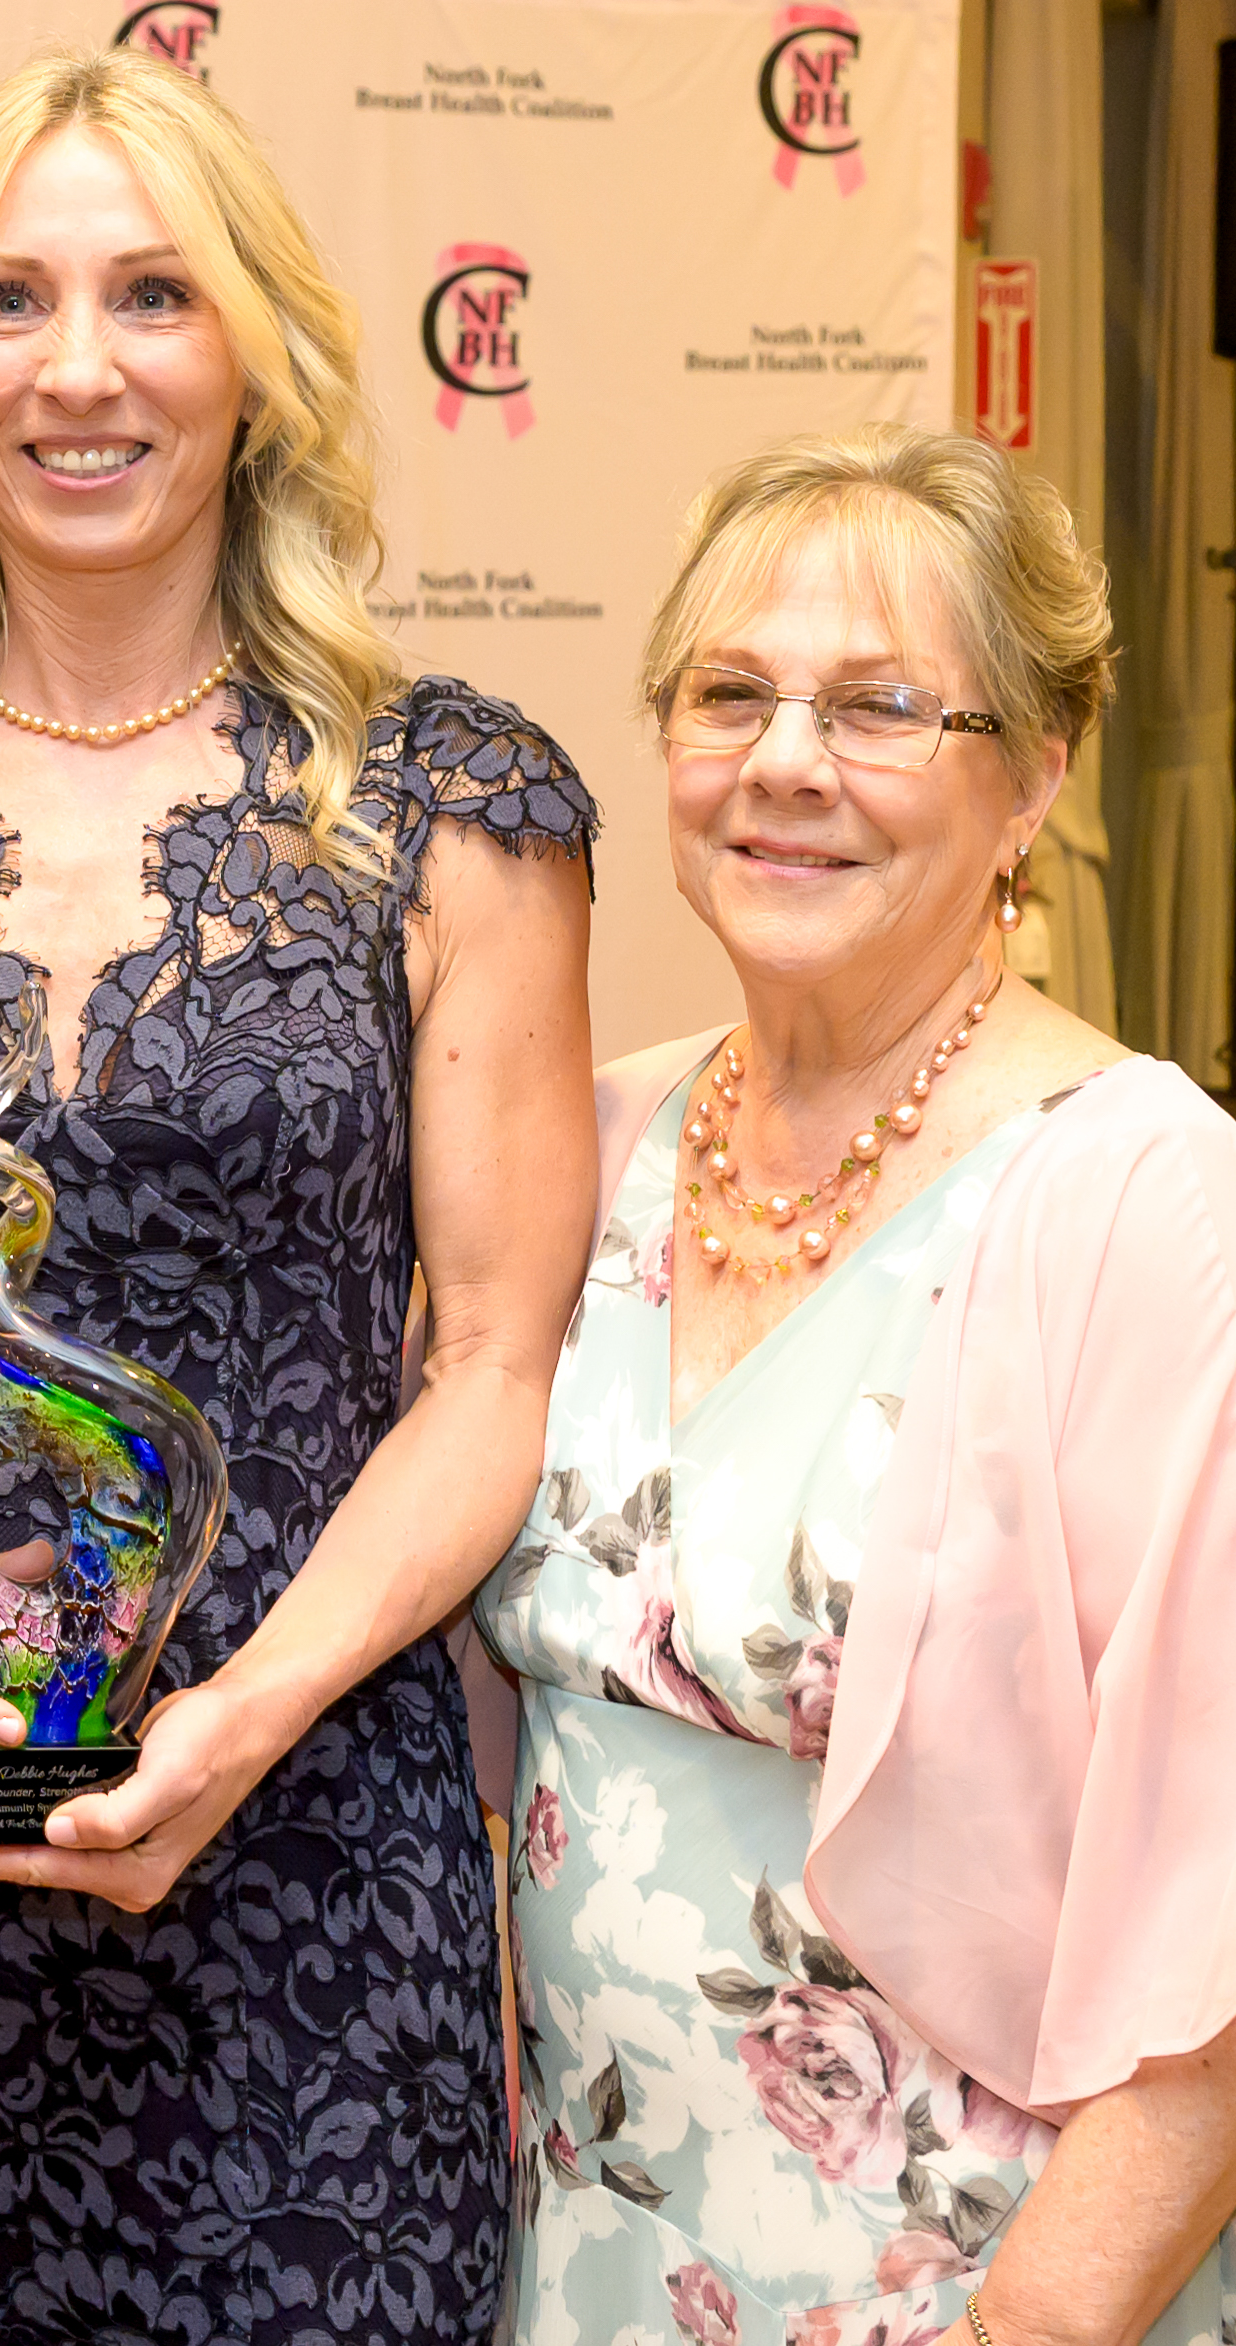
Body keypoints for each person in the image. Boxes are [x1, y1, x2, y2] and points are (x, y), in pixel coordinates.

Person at [0, 45, 600, 2343]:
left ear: (255, 359)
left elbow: (492, 1360)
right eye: (7, 301)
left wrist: (249, 1717)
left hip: (301, 1841)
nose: (77, 370)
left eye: (151, 298)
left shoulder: (450, 805)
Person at [474, 422, 1236, 2346]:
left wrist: (1019, 2334)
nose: (787, 761)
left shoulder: (1149, 1199)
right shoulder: (593, 1139)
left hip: (985, 2284)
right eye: (732, 691)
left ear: (1035, 777)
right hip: (582, 2248)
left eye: (886, 706)